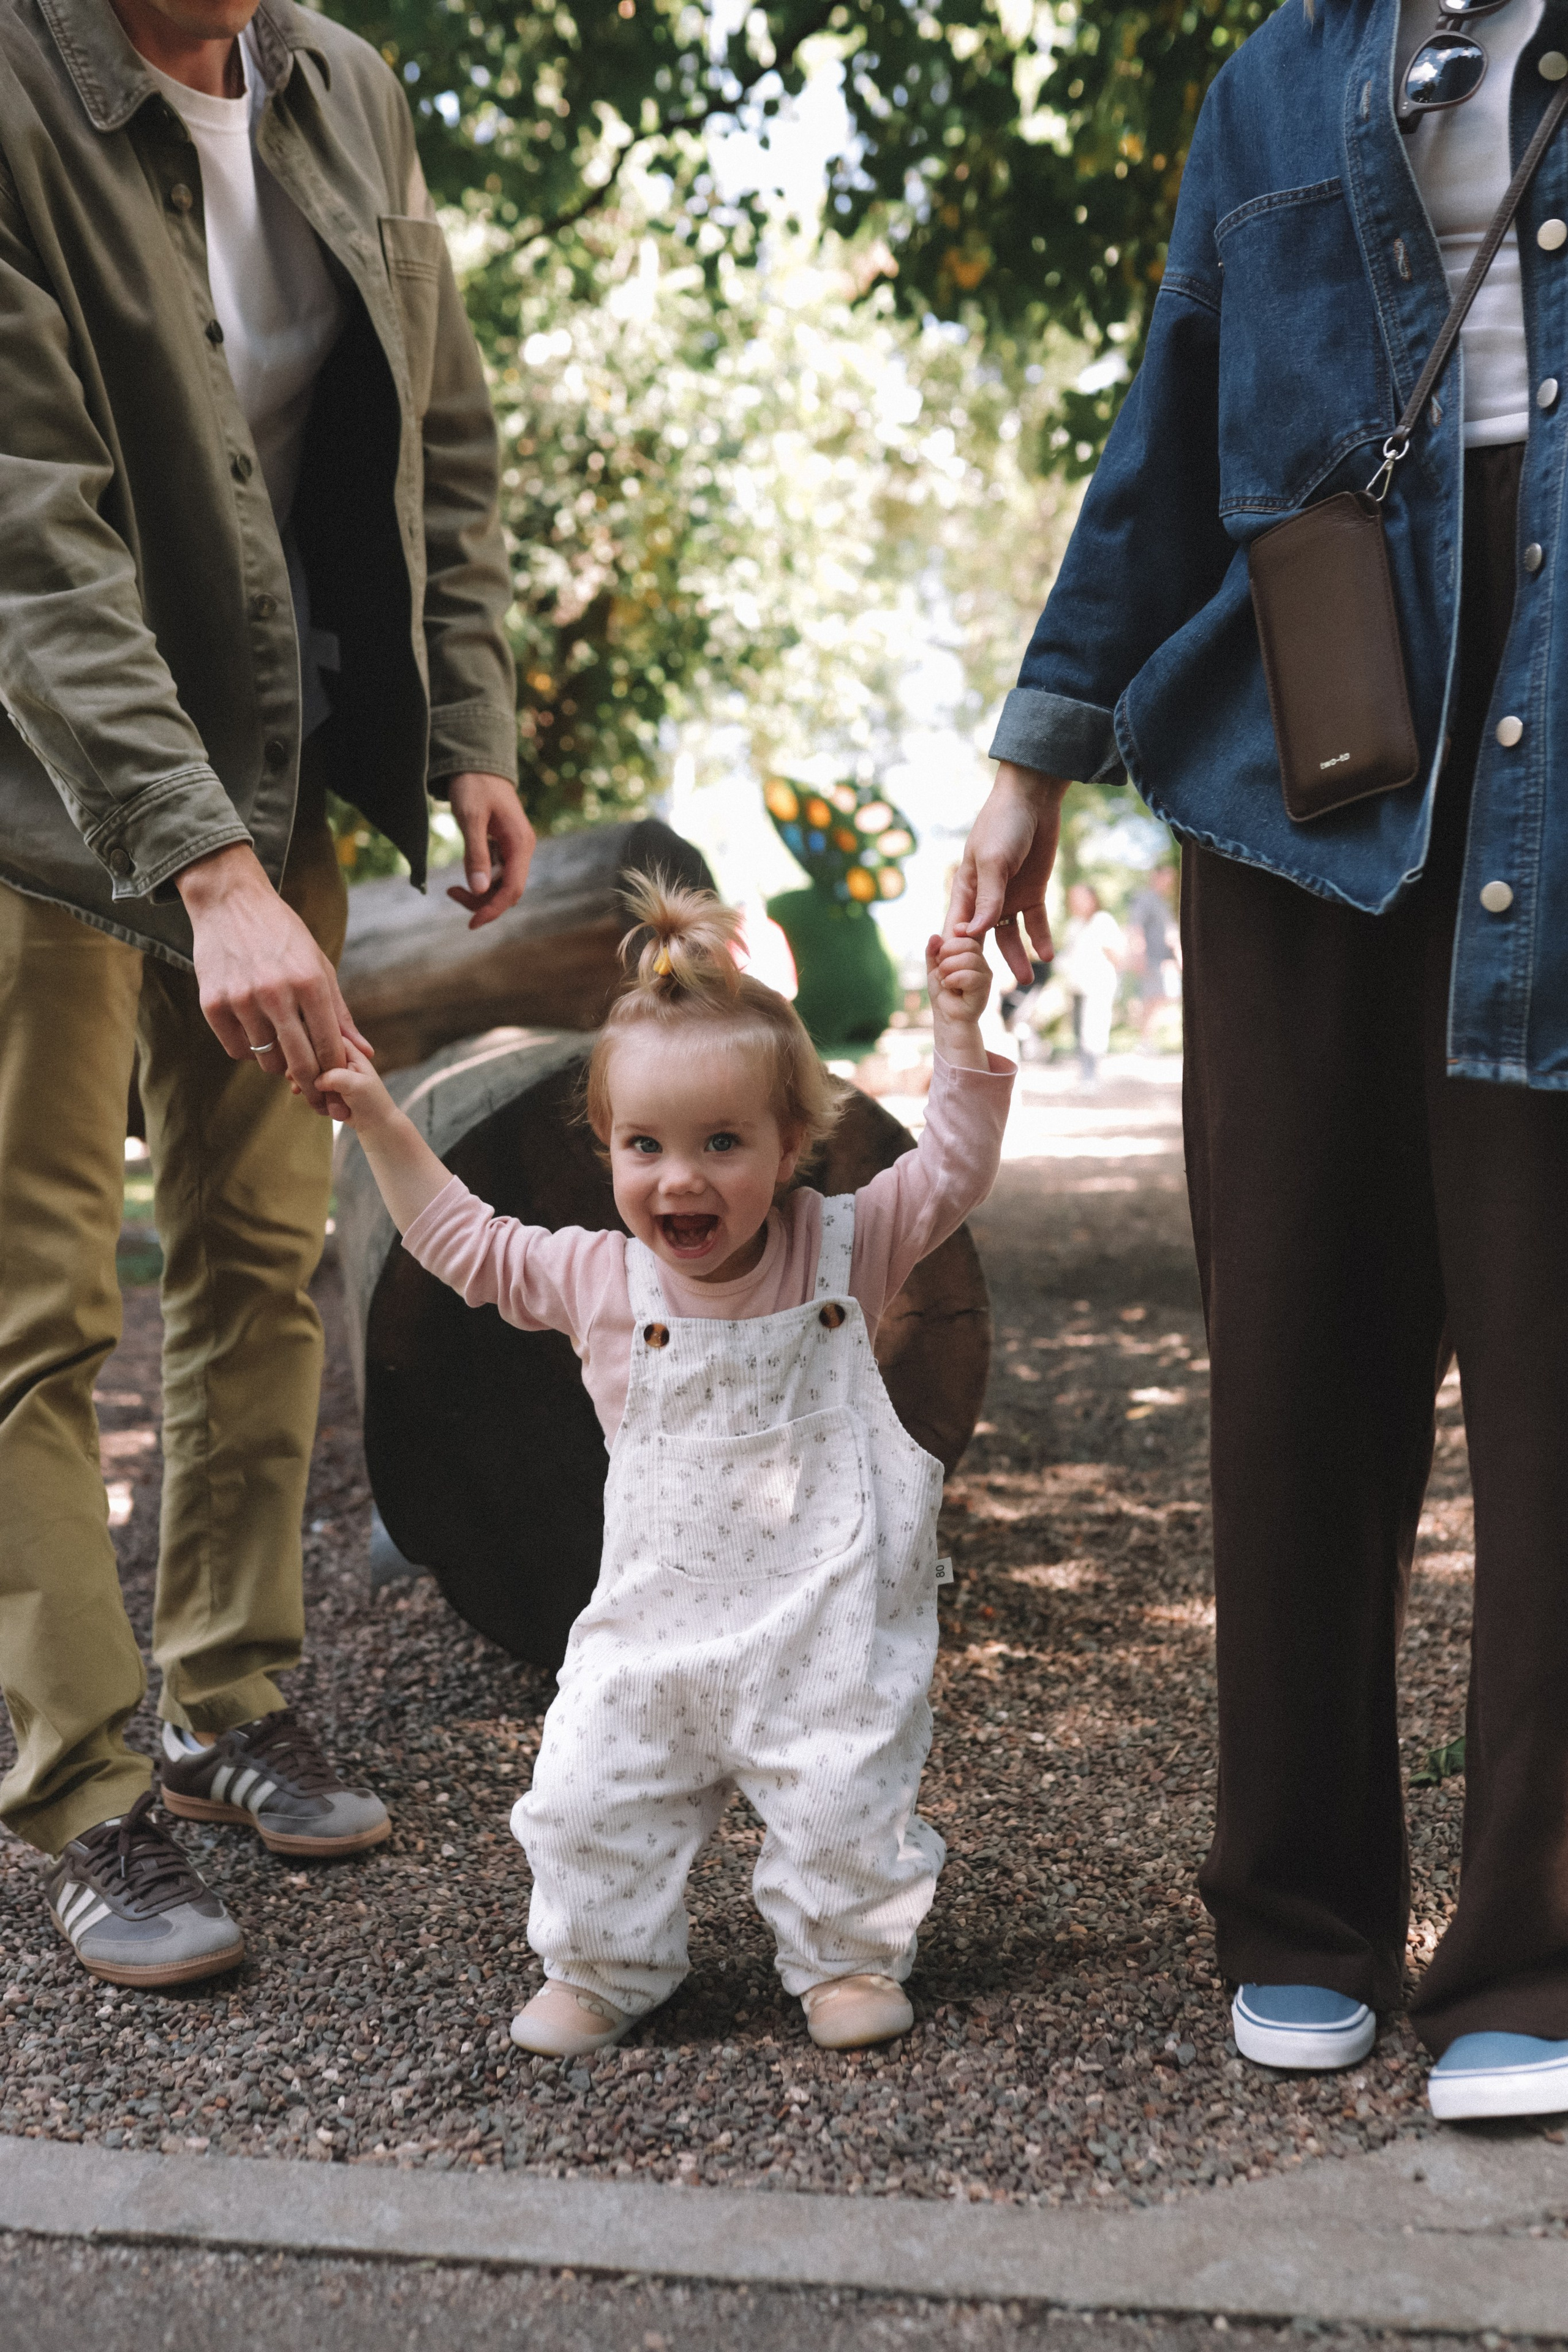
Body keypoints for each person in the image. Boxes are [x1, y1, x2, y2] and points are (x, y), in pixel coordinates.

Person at [949, 0, 1568, 2120]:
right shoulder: (1278, 79)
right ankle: (1299, 1913)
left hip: (1559, 757)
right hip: (1317, 759)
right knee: (1296, 1341)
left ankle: (1534, 1958)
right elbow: (1171, 426)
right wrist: (1036, 752)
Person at [0, 0, 532, 1988]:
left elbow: (442, 440)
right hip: (34, 804)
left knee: (261, 1252)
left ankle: (230, 1699)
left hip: (270, 771)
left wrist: (467, 726)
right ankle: (84, 1788)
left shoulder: (345, 90)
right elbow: (26, 527)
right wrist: (202, 867)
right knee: (40, 1307)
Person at [323, 877, 1014, 2056]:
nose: (680, 1180)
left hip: (824, 1623)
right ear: (606, 1148)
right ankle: (604, 1966)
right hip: (652, 1624)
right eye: (645, 1146)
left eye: (721, 1145)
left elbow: (951, 1169)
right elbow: (466, 1246)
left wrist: (960, 1031)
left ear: (795, 1147)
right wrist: (383, 1123)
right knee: (591, 1795)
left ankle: (846, 1958)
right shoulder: (603, 1279)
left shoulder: (846, 1247)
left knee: (847, 1800)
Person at [1055, 882, 1125, 1084]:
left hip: (1097, 986)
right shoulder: (1074, 925)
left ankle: (1091, 1075)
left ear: (1092, 899)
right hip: (1077, 986)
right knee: (1079, 1031)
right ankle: (1085, 1074)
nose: (1075, 903)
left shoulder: (1103, 922)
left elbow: (1116, 955)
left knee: (1092, 1032)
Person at [1126, 866, 1180, 1042]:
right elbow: (1136, 927)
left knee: (1161, 998)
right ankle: (1144, 1040)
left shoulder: (1162, 902)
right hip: (1151, 959)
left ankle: (1146, 1039)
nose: (1170, 882)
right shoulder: (1145, 899)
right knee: (1153, 999)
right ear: (1155, 876)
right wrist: (1139, 955)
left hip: (1163, 960)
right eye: (1166, 877)